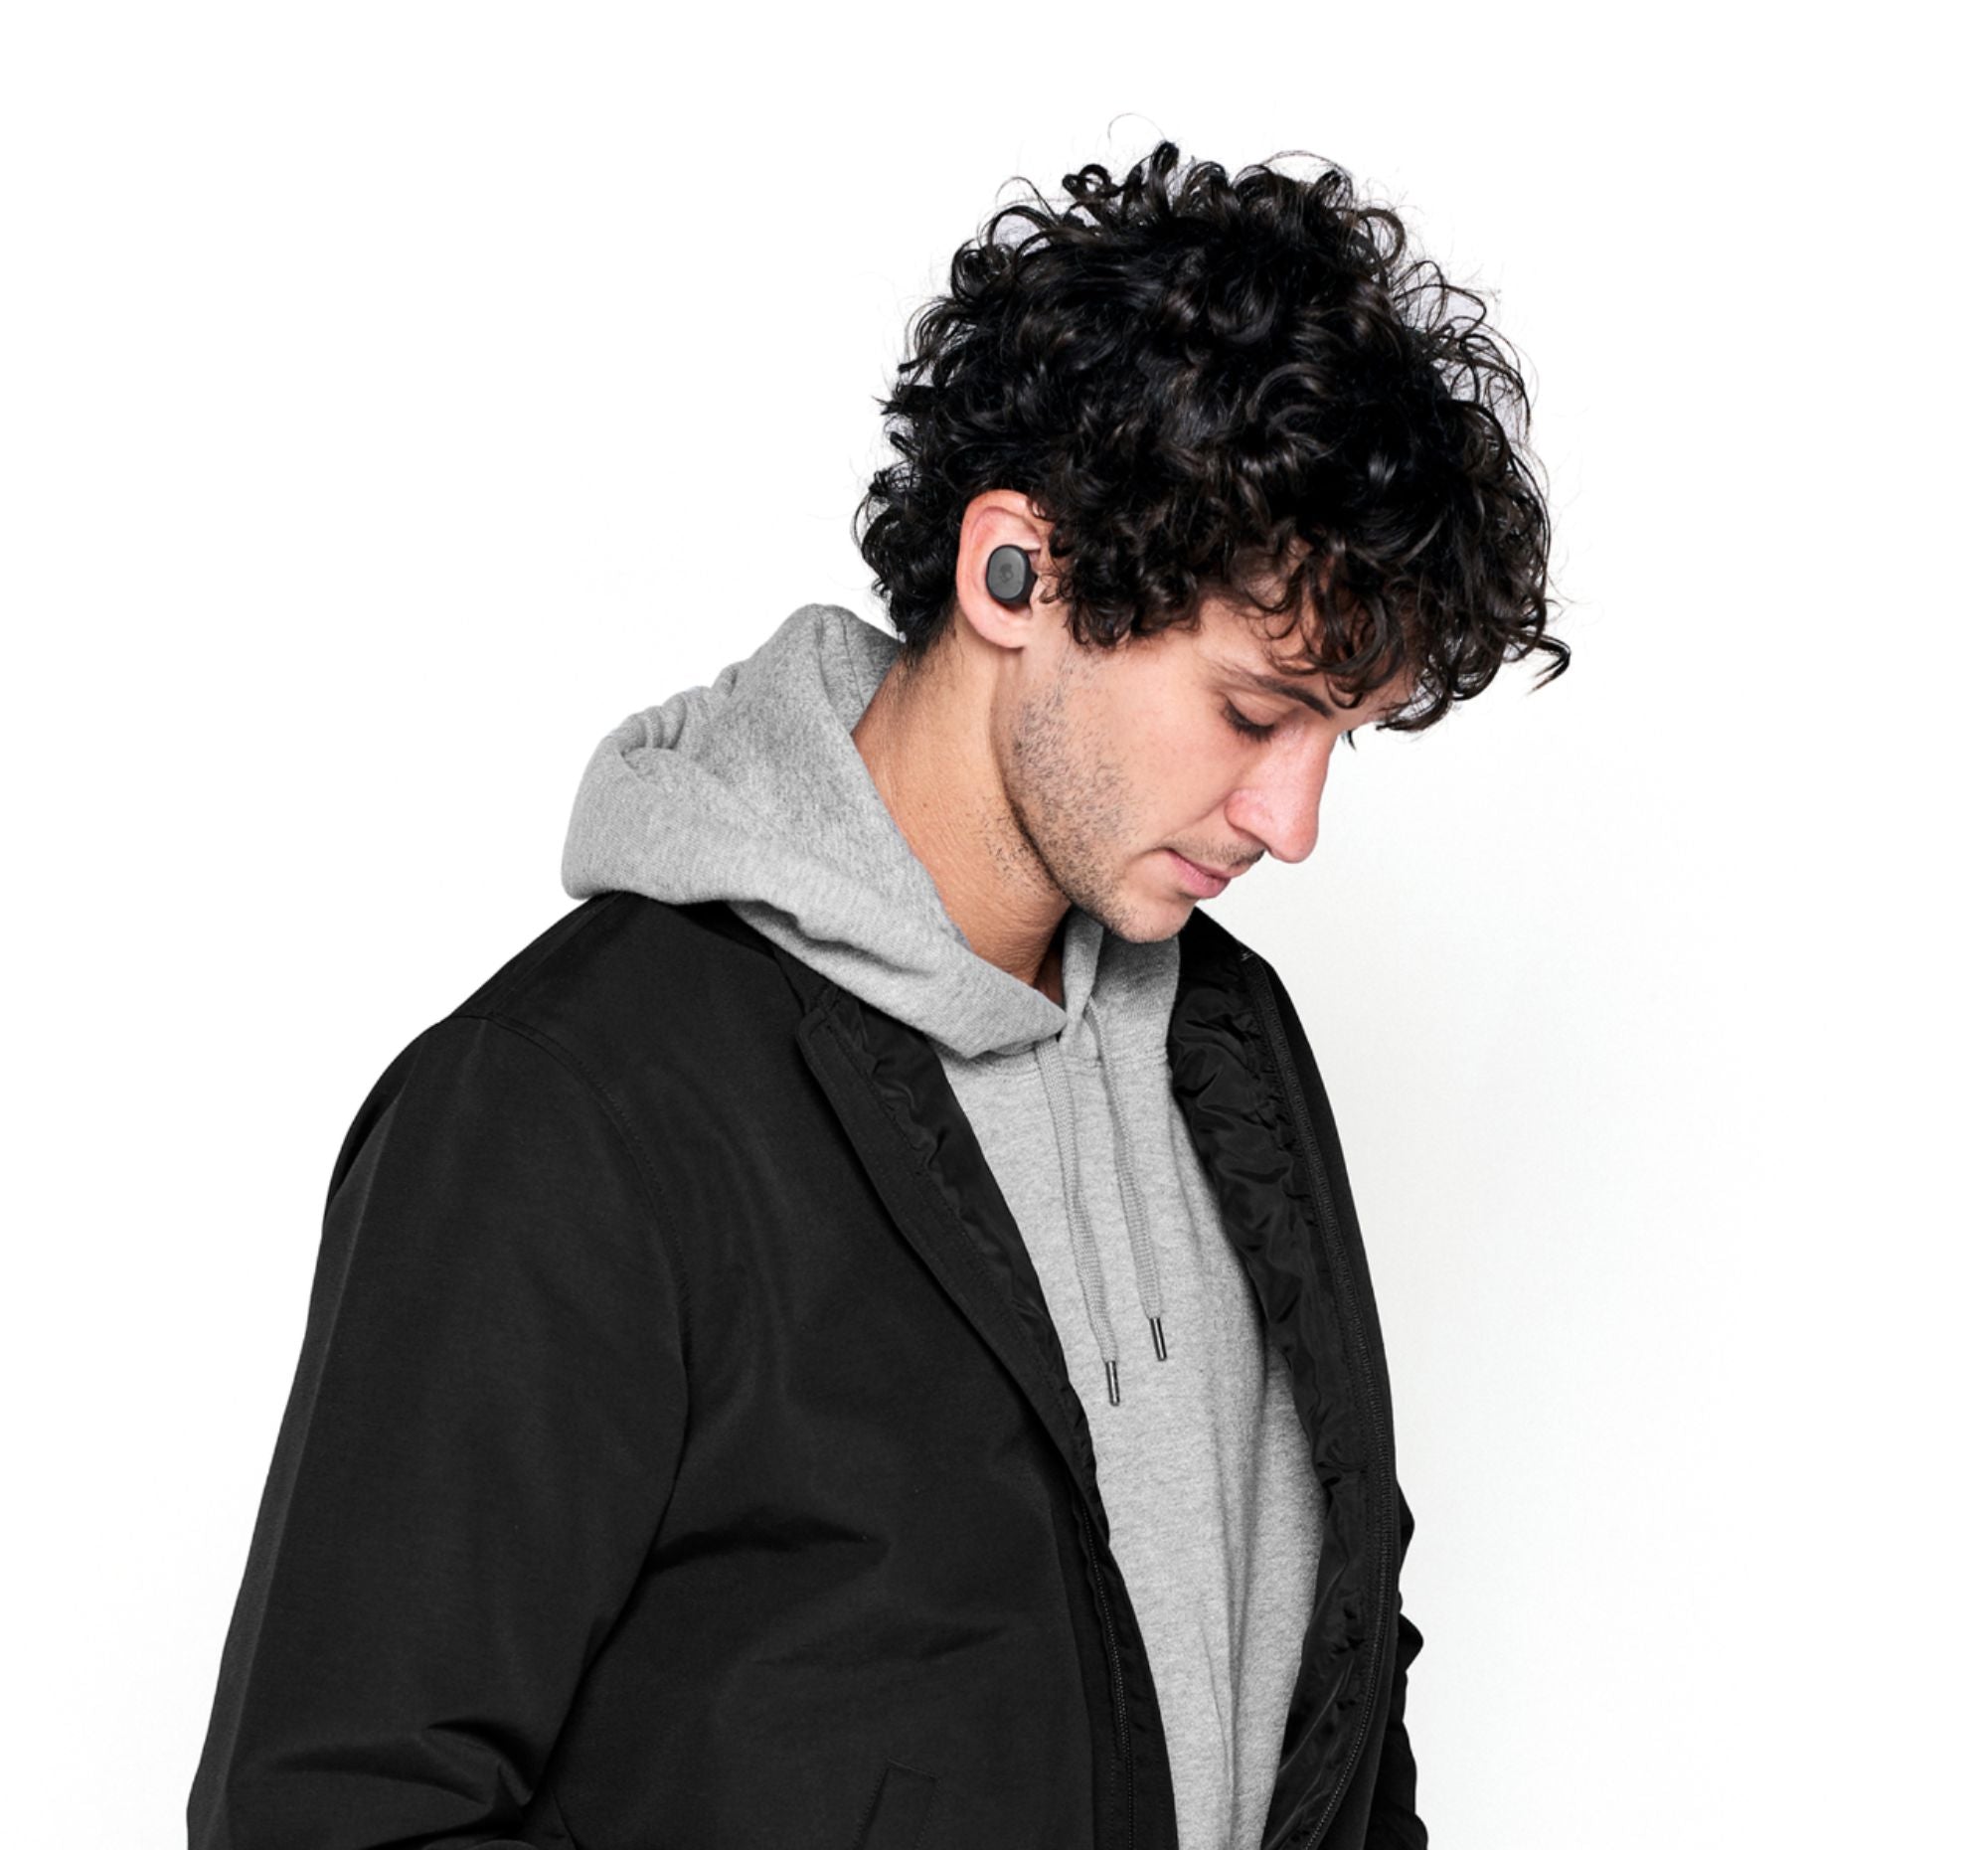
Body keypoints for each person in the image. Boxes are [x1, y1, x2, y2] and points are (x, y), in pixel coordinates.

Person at [188, 139, 1567, 1850]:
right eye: (1252, 713)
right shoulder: (573, 1111)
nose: (1291, 823)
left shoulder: (1232, 1056)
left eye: (1336, 742)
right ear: (1014, 574)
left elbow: (1344, 1696)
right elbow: (335, 1809)